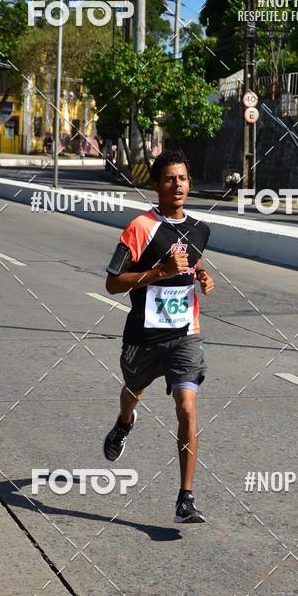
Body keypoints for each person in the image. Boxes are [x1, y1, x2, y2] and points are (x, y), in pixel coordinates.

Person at [103, 149, 214, 523]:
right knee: (133, 391)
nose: (177, 185)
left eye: (182, 178)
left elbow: (194, 258)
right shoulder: (139, 228)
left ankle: (185, 498)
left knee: (187, 406)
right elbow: (112, 283)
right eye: (169, 179)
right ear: (156, 185)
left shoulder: (200, 229)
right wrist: (160, 273)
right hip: (144, 336)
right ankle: (124, 422)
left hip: (185, 334)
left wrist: (201, 275)